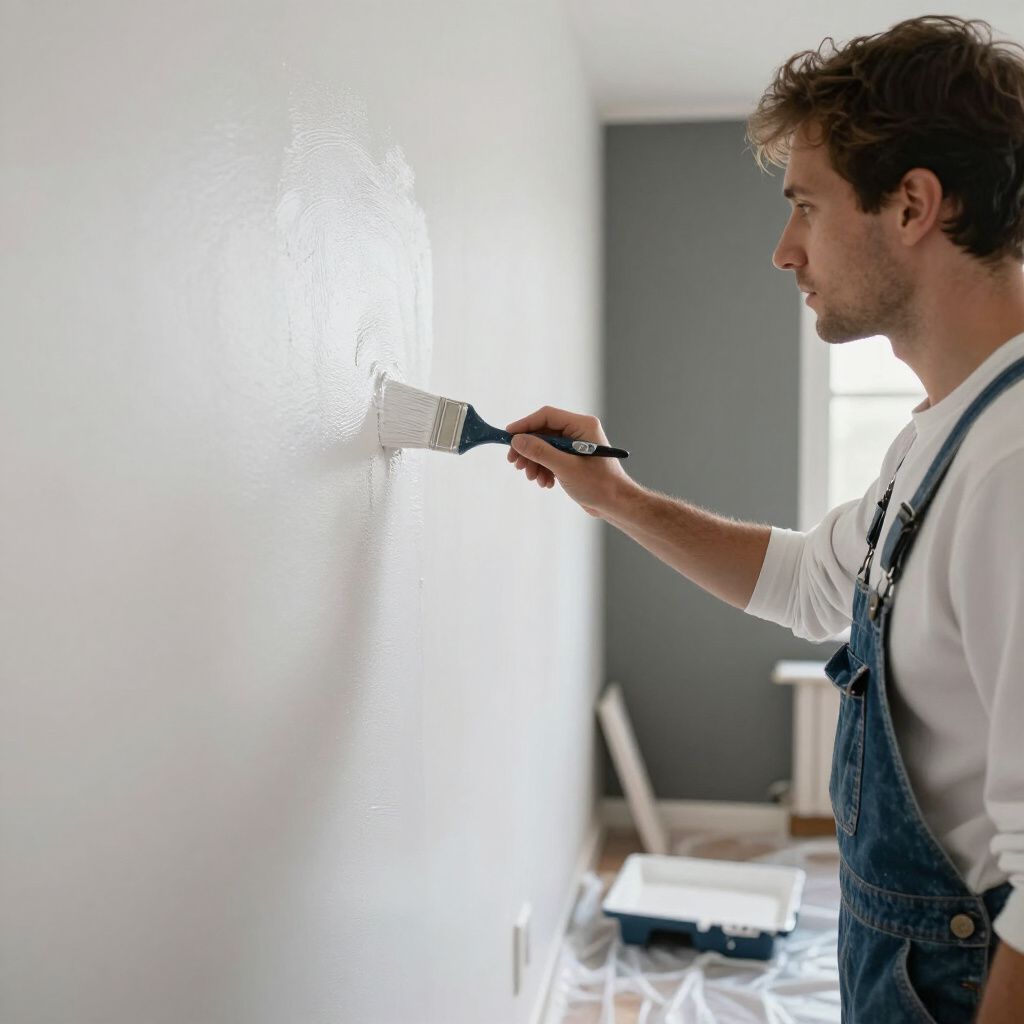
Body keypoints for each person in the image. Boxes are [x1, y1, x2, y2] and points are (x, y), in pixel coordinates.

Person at [506, 15, 1024, 1023]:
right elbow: (807, 585)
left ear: (912, 203)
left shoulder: (1013, 465)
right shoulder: (941, 436)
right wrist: (613, 494)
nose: (784, 250)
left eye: (804, 207)